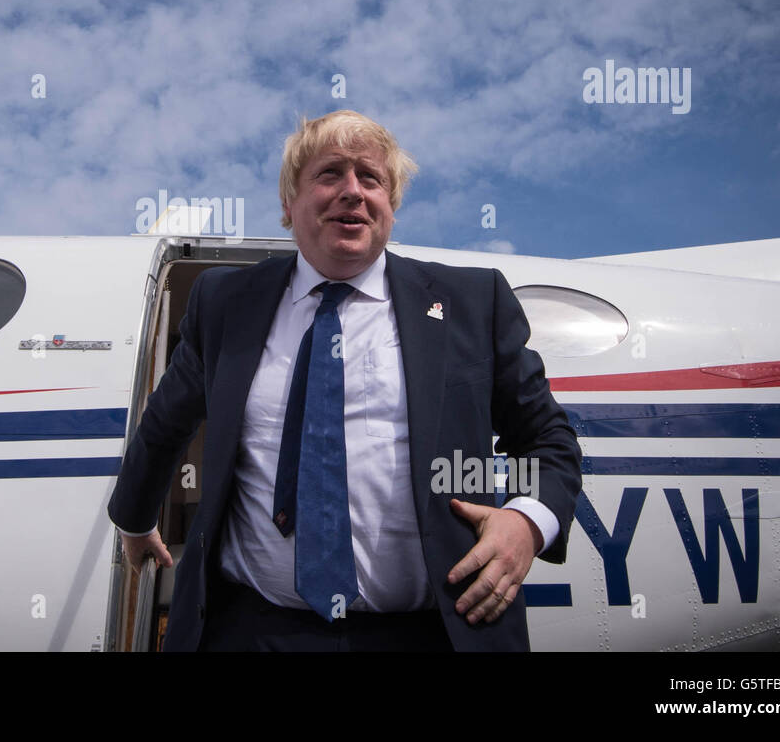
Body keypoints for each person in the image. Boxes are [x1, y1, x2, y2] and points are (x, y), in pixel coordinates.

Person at [108, 110, 582, 651]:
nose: (352, 192)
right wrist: (135, 517)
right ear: (289, 204)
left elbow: (547, 440)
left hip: (431, 632)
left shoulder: (474, 303)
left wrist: (526, 521)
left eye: (371, 178)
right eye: (330, 174)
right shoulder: (224, 304)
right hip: (254, 629)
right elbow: (165, 424)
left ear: (391, 205)